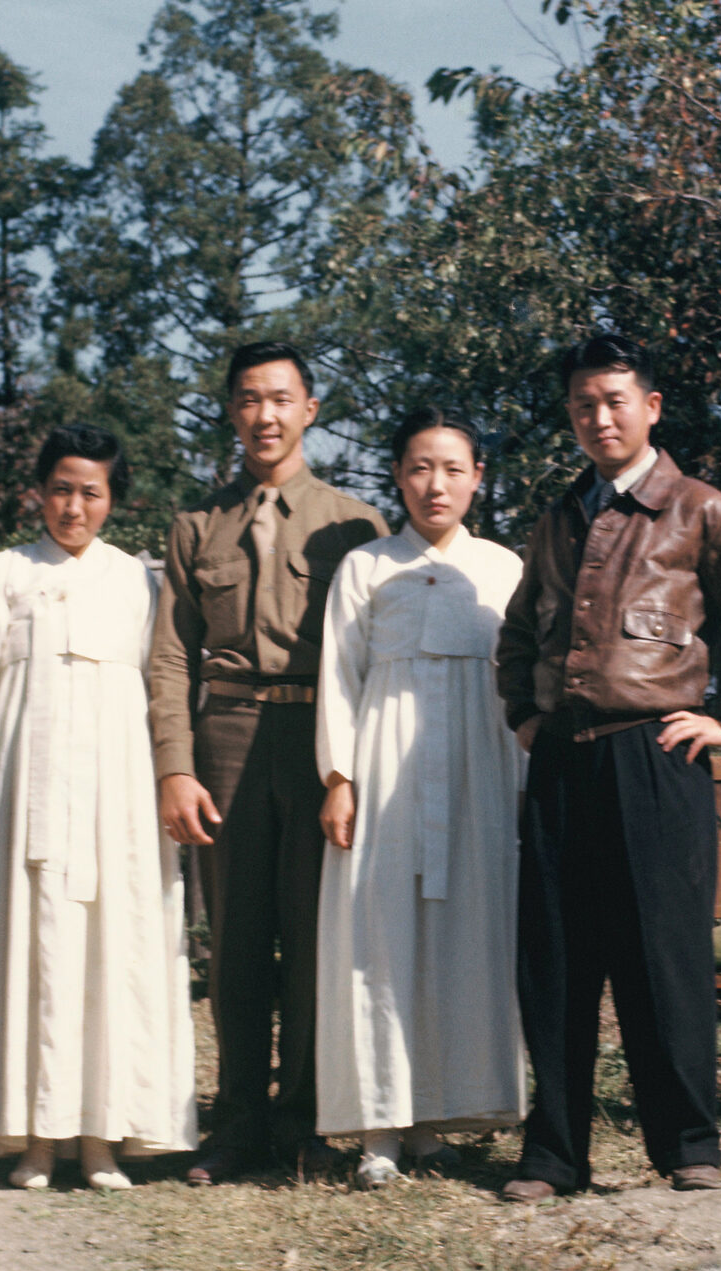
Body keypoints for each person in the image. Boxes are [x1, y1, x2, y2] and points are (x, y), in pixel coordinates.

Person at [496, 333, 721, 1202]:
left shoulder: (700, 509)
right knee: (556, 962)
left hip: (655, 756)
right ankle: (553, 1155)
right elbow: (517, 632)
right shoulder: (558, 518)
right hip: (562, 762)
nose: (599, 418)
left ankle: (689, 1145)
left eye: (615, 401)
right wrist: (525, 714)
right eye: (583, 405)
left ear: (651, 407)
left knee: (662, 958)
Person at [149, 341, 389, 1185]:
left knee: (319, 935)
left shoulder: (355, 525)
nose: (266, 415)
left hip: (319, 737)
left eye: (282, 399)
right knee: (238, 940)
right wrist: (176, 767)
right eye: (249, 399)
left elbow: (374, 657)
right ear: (231, 411)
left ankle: (308, 1121)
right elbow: (170, 656)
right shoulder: (196, 525)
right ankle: (239, 1120)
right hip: (227, 735)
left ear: (310, 410)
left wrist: (352, 769)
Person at [0, 425, 199, 1191]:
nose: (73, 507)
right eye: (60, 489)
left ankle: (101, 1139)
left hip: (119, 803)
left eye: (90, 492)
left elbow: (162, 685)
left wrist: (167, 776)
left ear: (113, 499)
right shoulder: (5, 574)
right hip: (27, 796)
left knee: (112, 954)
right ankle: (35, 1141)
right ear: (38, 493)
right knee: (33, 952)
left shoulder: (136, 580)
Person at [314, 407, 528, 1190]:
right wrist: (340, 778)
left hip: (480, 768)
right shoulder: (365, 567)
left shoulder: (503, 567)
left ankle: (438, 1116)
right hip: (383, 765)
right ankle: (380, 1127)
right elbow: (340, 674)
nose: (435, 485)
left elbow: (524, 680)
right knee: (381, 936)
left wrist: (525, 783)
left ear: (477, 478)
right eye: (419, 467)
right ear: (399, 476)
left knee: (465, 934)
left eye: (452, 469)